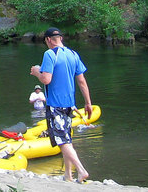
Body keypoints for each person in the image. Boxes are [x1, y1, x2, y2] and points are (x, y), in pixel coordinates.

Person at [30, 27, 93, 183]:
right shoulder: (73, 54)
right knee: (67, 139)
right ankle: (68, 175)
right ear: (61, 38)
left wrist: (37, 71)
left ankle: (81, 170)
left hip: (55, 104)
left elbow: (46, 79)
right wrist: (88, 103)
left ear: (48, 40)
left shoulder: (50, 54)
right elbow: (82, 81)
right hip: (69, 105)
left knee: (61, 141)